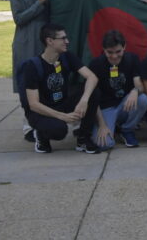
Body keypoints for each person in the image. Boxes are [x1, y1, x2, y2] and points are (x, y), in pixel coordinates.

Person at [21, 23, 101, 154]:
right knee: (59, 131)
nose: (67, 41)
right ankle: (41, 136)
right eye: (62, 38)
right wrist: (63, 116)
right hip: (41, 111)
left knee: (93, 93)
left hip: (61, 103)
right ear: (50, 41)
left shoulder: (67, 57)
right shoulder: (32, 66)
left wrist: (83, 101)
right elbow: (34, 105)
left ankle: (83, 139)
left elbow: (92, 77)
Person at [87, 30, 147, 149]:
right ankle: (112, 127)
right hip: (105, 109)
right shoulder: (96, 64)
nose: (114, 56)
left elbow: (139, 85)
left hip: (125, 104)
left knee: (143, 99)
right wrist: (102, 125)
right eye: (110, 52)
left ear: (124, 47)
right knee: (104, 145)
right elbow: (92, 97)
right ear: (104, 49)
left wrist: (135, 91)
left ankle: (127, 129)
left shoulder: (132, 59)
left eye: (118, 51)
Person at [10, 0, 52, 105]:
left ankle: (47, 118)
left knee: (47, 80)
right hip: (25, 42)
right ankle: (27, 123)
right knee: (26, 80)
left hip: (46, 43)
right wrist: (39, 2)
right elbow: (19, 19)